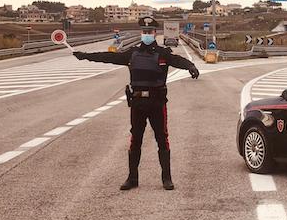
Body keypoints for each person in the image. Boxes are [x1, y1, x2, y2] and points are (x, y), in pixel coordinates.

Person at [73, 16, 199, 191]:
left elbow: (179, 61)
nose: (147, 34)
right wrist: (86, 56)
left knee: (162, 139)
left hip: (157, 103)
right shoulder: (132, 53)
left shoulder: (163, 53)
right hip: (137, 103)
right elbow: (109, 57)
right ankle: (132, 178)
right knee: (135, 140)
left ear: (155, 33)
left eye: (150, 32)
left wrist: (191, 66)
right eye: (144, 32)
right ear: (142, 33)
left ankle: (166, 178)